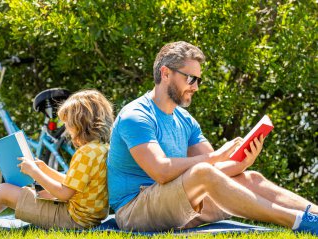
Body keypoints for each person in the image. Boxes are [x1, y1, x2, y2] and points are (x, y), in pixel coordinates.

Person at [107, 41, 318, 235]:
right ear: (165, 73)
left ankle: (315, 215)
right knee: (202, 171)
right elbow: (162, 171)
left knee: (251, 178)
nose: (195, 87)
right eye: (190, 79)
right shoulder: (135, 116)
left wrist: (242, 163)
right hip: (136, 211)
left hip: (177, 203)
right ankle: (299, 222)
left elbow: (215, 174)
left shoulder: (184, 120)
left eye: (198, 80)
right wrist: (215, 156)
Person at [0, 89, 114, 234]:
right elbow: (75, 185)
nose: (66, 129)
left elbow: (64, 194)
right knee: (13, 193)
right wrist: (45, 169)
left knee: (3, 191)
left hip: (72, 219)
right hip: (87, 218)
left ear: (79, 123)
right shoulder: (101, 149)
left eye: (68, 124)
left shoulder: (85, 153)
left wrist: (34, 172)